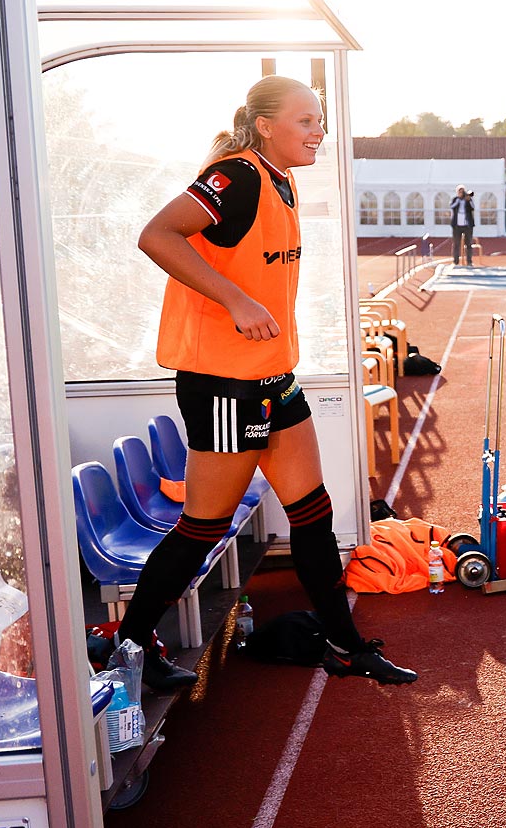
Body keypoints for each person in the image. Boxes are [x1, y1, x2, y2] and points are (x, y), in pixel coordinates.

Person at [124, 76, 418, 690]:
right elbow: (156, 234)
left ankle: (345, 644)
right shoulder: (238, 175)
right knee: (202, 529)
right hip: (224, 387)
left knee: (314, 514)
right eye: (306, 120)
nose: (320, 131)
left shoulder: (280, 182)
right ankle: (127, 646)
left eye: (321, 120)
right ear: (265, 126)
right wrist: (234, 299)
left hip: (272, 378)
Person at [450, 185, 476, 266]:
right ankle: (455, 261)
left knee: (468, 244)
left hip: (467, 225)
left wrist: (469, 200)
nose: (461, 193)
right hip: (457, 226)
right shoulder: (455, 199)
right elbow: (452, 206)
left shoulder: (468, 200)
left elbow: (473, 207)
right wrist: (458, 200)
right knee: (456, 244)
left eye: (462, 191)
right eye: (460, 192)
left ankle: (469, 261)